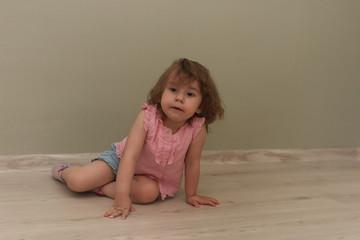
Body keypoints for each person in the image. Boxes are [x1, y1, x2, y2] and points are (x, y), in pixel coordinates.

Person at [52, 58, 225, 219]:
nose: (179, 98)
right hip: (120, 160)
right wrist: (121, 197)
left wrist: (191, 194)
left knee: (147, 194)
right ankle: (64, 170)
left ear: (200, 106)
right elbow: (130, 156)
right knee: (77, 182)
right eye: (173, 90)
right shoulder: (148, 116)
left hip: (150, 178)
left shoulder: (196, 129)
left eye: (190, 94)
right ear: (160, 93)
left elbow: (192, 163)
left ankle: (103, 186)